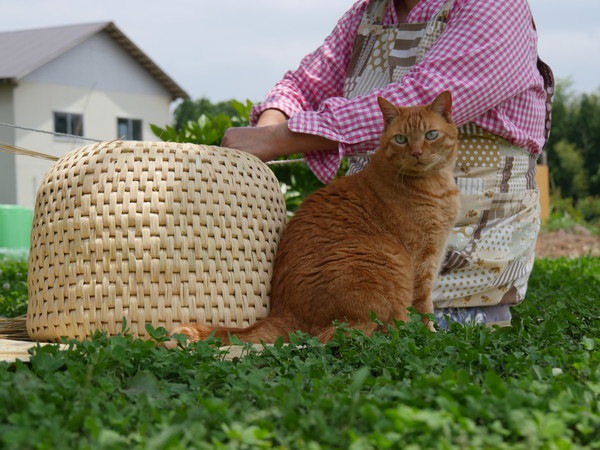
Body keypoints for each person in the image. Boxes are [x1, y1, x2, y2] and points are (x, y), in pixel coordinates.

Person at [222, 0, 554, 328]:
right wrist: (265, 130)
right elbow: (303, 85)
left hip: (466, 296)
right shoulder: (369, 12)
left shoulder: (494, 4)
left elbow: (425, 93)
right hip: (365, 263)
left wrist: (278, 139)